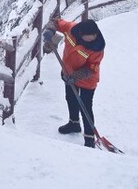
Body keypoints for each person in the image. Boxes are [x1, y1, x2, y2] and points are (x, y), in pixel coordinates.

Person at [42, 17, 105, 148]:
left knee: (85, 106)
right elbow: (55, 21)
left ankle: (89, 138)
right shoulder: (72, 29)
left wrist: (75, 77)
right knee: (70, 99)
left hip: (87, 80)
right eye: (88, 36)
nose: (90, 39)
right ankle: (74, 123)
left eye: (92, 36)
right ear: (81, 34)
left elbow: (92, 68)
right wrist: (50, 30)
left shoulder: (97, 48)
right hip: (68, 73)